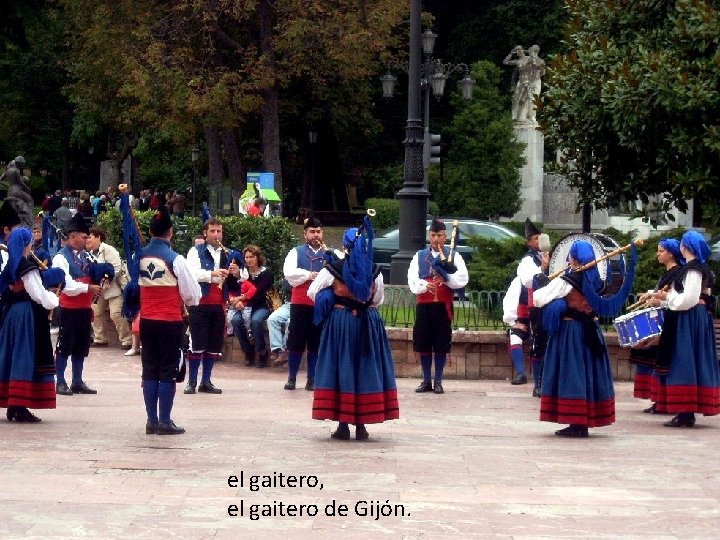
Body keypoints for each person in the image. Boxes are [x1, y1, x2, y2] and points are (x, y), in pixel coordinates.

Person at [533, 239, 636, 437]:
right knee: (587, 373)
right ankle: (583, 420)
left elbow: (539, 299)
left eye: (570, 255)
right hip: (591, 330)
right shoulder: (597, 279)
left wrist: (542, 280)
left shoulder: (569, 280)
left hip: (571, 332)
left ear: (573, 258)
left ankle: (577, 423)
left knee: (573, 373)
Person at [309, 218, 399, 441]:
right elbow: (378, 299)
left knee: (342, 367)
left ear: (344, 246)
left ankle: (343, 425)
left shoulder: (333, 269)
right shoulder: (374, 270)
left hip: (341, 322)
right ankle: (361, 426)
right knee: (365, 368)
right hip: (368, 322)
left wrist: (330, 296)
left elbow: (312, 292)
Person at [138, 207, 201, 435]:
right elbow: (192, 294)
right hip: (169, 321)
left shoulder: (139, 256)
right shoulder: (176, 259)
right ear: (170, 233)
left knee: (149, 369)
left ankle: (151, 420)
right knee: (167, 371)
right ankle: (164, 420)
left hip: (146, 320)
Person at [649, 231, 720, 427]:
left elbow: (688, 299)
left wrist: (667, 298)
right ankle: (685, 411)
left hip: (689, 318)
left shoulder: (693, 269)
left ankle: (686, 412)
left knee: (685, 360)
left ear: (684, 247)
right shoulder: (695, 268)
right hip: (691, 318)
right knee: (687, 360)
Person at [0, 228, 64, 422]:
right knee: (24, 355)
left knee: (13, 355)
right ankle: (19, 406)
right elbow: (38, 295)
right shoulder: (27, 267)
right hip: (27, 315)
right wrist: (54, 299)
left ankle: (14, 404)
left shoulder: (10, 266)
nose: (31, 246)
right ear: (26, 244)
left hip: (12, 315)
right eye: (29, 242)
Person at [52, 213, 114, 396]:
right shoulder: (60, 258)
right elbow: (66, 285)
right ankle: (61, 381)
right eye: (84, 237)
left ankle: (77, 381)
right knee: (64, 346)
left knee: (81, 345)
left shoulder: (87, 257)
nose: (87, 240)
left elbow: (98, 273)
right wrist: (89, 288)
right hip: (69, 309)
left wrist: (103, 279)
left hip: (84, 309)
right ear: (73, 236)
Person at [407, 218, 469, 394]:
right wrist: (425, 285)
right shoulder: (419, 256)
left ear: (445, 236)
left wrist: (447, 278)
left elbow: (463, 279)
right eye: (433, 235)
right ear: (429, 236)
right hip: (424, 306)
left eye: (439, 235)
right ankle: (426, 380)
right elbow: (412, 280)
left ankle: (439, 381)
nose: (436, 239)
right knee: (424, 343)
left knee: (441, 344)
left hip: (443, 306)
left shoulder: (453, 255)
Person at [184, 219, 243, 394]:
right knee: (197, 343)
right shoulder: (195, 251)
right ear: (205, 233)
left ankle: (206, 381)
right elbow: (191, 273)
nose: (216, 235)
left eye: (219, 231)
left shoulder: (230, 254)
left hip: (219, 304)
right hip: (199, 303)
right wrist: (212, 274)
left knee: (214, 344)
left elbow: (243, 277)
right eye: (212, 231)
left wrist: (236, 273)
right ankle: (192, 382)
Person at [627, 239, 684, 413]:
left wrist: (658, 300)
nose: (657, 254)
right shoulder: (669, 273)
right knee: (651, 357)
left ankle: (663, 400)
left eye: (661, 251)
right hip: (660, 319)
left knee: (660, 360)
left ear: (671, 253)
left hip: (668, 319)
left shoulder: (678, 273)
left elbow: (672, 296)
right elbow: (662, 291)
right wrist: (650, 294)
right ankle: (658, 399)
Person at [282, 216, 326, 390]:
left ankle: (312, 379)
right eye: (312, 232)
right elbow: (289, 273)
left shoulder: (330, 252)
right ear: (305, 234)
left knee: (316, 342)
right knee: (296, 340)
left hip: (320, 304)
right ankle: (292, 377)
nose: (315, 235)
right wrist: (309, 275)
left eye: (318, 231)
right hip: (300, 302)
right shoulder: (296, 252)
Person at [513, 219, 549, 395]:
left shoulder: (551, 254)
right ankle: (538, 384)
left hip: (552, 305)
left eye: (539, 237)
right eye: (535, 238)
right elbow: (528, 281)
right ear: (529, 242)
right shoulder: (527, 260)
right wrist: (543, 267)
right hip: (536, 306)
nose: (538, 241)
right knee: (538, 344)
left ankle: (549, 381)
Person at [86, 228, 132, 349]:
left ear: (98, 238)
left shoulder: (109, 250)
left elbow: (116, 268)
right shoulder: (89, 254)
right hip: (98, 289)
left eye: (89, 237)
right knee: (95, 312)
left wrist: (106, 279)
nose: (87, 240)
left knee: (116, 313)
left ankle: (127, 340)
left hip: (114, 287)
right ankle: (100, 338)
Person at [231, 245, 274, 367]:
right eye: (246, 257)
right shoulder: (243, 273)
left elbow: (258, 293)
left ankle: (261, 352)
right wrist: (237, 301)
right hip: (244, 306)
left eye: (252, 257)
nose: (249, 260)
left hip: (261, 305)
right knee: (235, 320)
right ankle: (248, 351)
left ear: (258, 258)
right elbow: (234, 289)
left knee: (256, 320)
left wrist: (241, 298)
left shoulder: (267, 274)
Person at [268, 279, 292, 366]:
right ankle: (278, 349)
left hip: (305, 305)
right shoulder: (292, 268)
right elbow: (287, 287)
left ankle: (284, 351)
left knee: (290, 322)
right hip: (289, 304)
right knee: (272, 319)